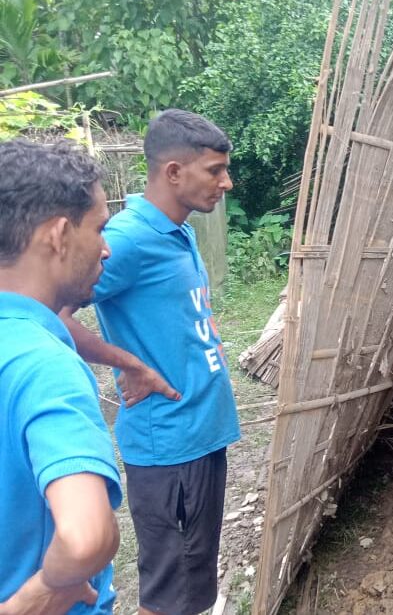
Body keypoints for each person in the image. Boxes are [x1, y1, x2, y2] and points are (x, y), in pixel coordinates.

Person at [62, 109, 239, 615]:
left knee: (191, 584)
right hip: (170, 446)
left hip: (199, 434)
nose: (226, 182)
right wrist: (128, 363)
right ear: (174, 173)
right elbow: (52, 311)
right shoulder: (132, 237)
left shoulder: (176, 230)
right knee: (170, 596)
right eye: (214, 170)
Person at [0, 140, 122, 615]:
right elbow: (86, 535)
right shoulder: (42, 363)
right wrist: (38, 597)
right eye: (99, 228)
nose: (106, 249)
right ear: (58, 235)